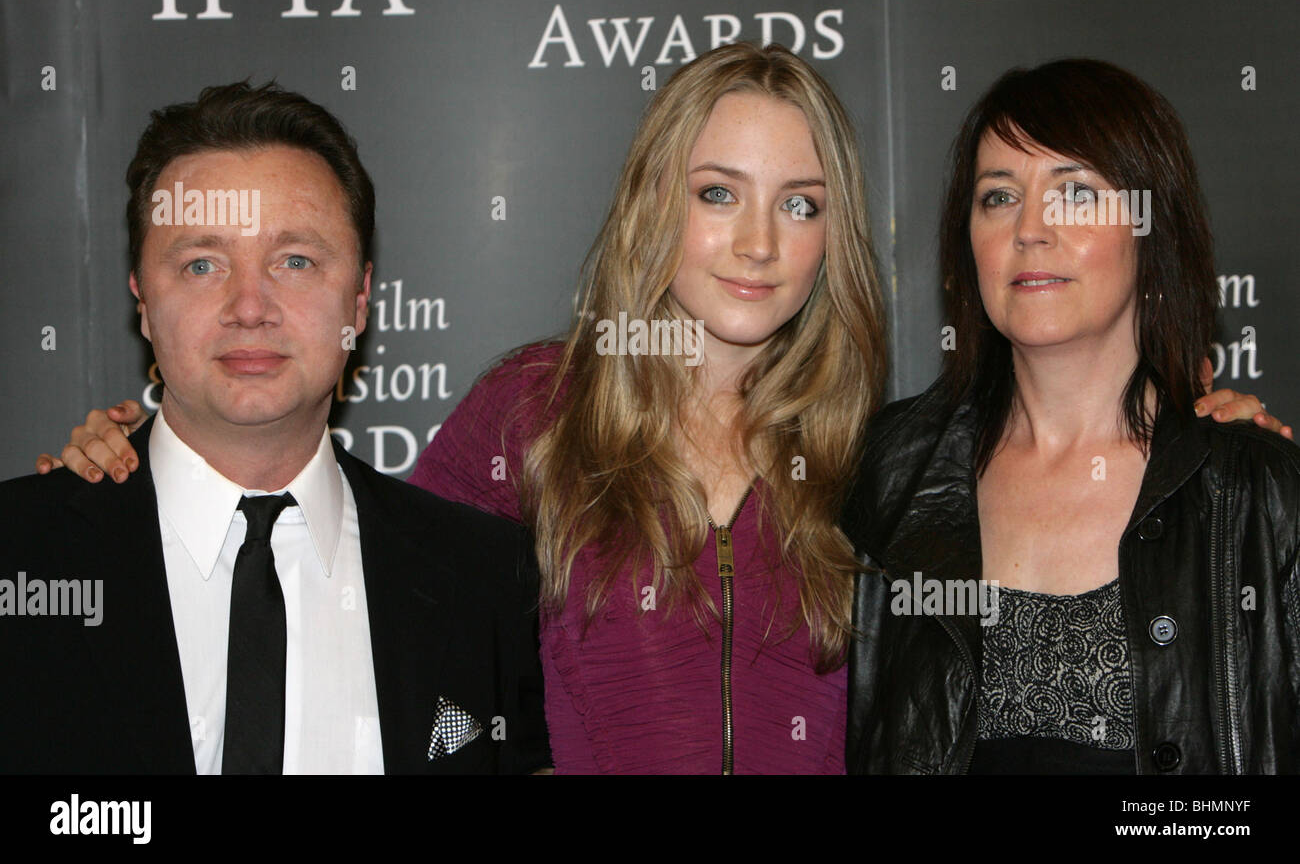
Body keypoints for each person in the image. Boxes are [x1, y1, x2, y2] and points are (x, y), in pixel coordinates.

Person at [36, 47, 1287, 775]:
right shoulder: (532, 413)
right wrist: (148, 461)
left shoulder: (878, 455)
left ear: (831, 238)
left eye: (798, 204)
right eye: (717, 191)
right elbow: (337, 570)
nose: (755, 241)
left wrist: (1199, 439)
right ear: (654, 205)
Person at [0, 81, 548, 774]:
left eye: (295, 261)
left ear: (360, 298)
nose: (250, 306)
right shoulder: (20, 558)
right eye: (202, 264)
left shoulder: (490, 583)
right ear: (141, 298)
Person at [845, 59, 1300, 774]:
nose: (1030, 230)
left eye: (1076, 193)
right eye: (998, 197)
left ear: (1152, 230)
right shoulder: (888, 474)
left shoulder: (1257, 495)